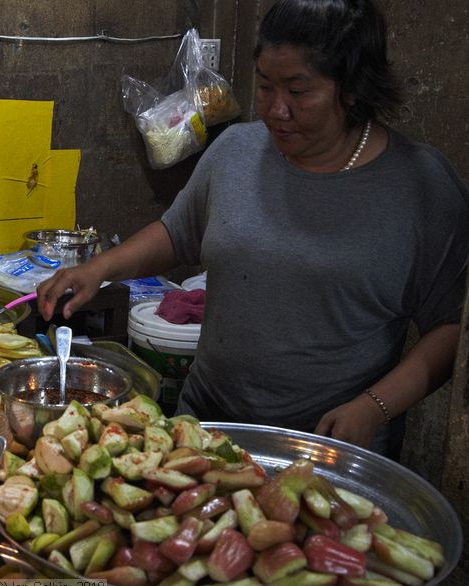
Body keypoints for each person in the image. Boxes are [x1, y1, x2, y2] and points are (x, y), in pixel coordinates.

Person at [36, 0, 468, 458]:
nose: (276, 109)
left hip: (327, 445)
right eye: (265, 86)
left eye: (298, 92)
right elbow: (178, 232)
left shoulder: (419, 186)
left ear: (353, 89)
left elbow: (450, 327)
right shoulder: (238, 150)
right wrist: (98, 268)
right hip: (207, 426)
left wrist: (374, 407)